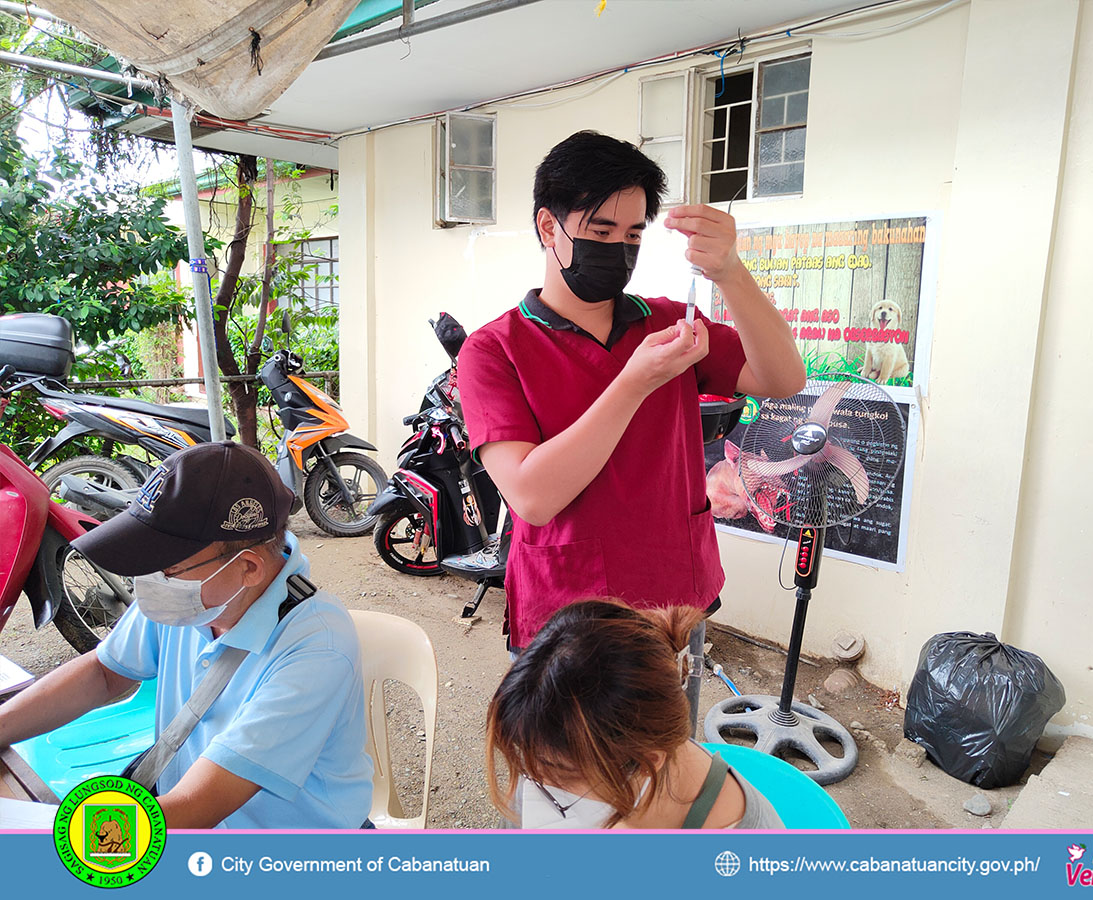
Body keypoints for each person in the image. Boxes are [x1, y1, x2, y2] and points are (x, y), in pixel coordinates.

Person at [457, 130, 806, 668]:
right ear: (549, 226)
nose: (619, 249)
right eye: (600, 229)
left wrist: (731, 273)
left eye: (634, 235)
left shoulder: (669, 324)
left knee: (668, 748)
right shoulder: (494, 349)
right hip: (567, 611)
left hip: (673, 594)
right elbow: (531, 496)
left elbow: (784, 377)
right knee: (578, 752)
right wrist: (633, 383)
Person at [0, 441, 373, 829]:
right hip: (185, 817)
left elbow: (200, 805)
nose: (148, 578)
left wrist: (49, 842)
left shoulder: (318, 648)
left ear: (248, 568)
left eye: (168, 567)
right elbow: (104, 673)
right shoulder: (195, 595)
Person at [485, 598, 784, 829]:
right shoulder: (556, 744)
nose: (536, 788)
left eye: (561, 780)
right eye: (530, 769)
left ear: (647, 763)